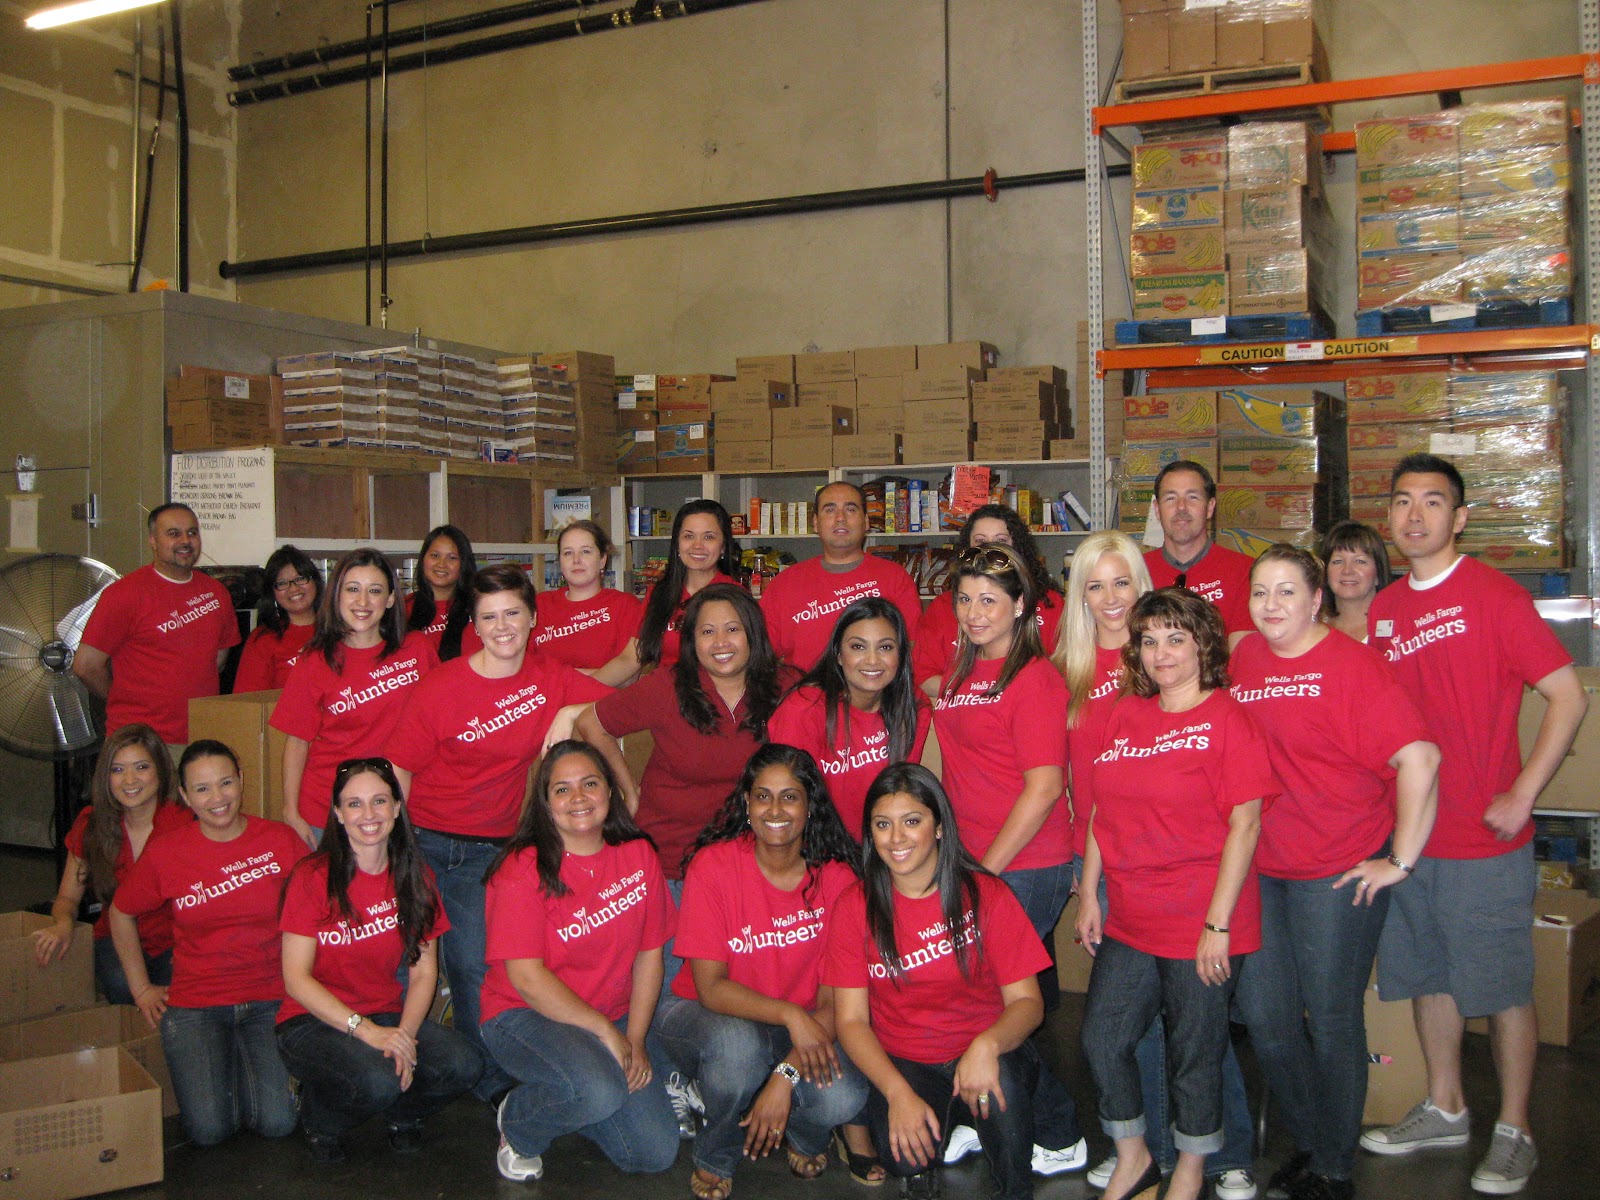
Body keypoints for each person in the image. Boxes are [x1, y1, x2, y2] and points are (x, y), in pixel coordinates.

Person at [1359, 454, 1587, 1196]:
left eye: (1432, 502)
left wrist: (1523, 793)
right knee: (1429, 978)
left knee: (1501, 986)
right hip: (1410, 839)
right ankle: (1445, 1106)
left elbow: (1568, 696)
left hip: (1484, 840)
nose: (1414, 515)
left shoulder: (1494, 596)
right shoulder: (1386, 609)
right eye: (1402, 501)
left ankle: (1516, 1129)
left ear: (1459, 518)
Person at [1230, 545, 1440, 1200]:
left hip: (1336, 867)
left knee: (1330, 1017)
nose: (1271, 605)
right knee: (1265, 1018)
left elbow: (1421, 759)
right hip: (1263, 866)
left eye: (1287, 591)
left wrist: (1399, 860)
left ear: (1317, 599)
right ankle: (1315, 1139)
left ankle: (1334, 1169)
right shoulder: (1246, 657)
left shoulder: (1354, 667)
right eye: (1260, 592)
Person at [1055, 537, 1255, 1199]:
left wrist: (1219, 926)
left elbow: (1245, 823)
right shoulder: (1126, 713)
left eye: (1176, 640)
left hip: (1200, 912)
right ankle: (1136, 1153)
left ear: (1202, 645)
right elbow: (1099, 808)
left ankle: (1194, 1168)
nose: (1162, 653)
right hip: (1131, 910)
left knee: (1195, 1050)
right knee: (1104, 1038)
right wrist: (1090, 893)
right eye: (1151, 642)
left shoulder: (1226, 716)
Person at [386, 563, 616, 1102]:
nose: (502, 626)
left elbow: (623, 703)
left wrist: (573, 711)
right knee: (409, 966)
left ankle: (487, 1081)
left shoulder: (549, 676)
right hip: (423, 839)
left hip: (489, 850)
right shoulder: (442, 686)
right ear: (474, 623)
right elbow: (398, 771)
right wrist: (398, 852)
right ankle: (410, 1077)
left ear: (533, 617)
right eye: (489, 617)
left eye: (513, 613)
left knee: (477, 966)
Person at [825, 764, 1080, 1200]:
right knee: (905, 1160)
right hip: (909, 1059)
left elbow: (1028, 1003)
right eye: (882, 825)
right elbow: (850, 1021)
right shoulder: (854, 906)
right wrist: (897, 1092)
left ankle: (1020, 1126)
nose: (896, 838)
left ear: (939, 827)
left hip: (984, 1051)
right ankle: (965, 1118)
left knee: (1000, 1094)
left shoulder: (986, 894)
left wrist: (988, 1045)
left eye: (912, 821)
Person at [653, 744, 876, 1200]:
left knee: (843, 1095)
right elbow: (711, 988)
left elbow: (837, 1005)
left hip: (802, 1024)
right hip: (705, 1013)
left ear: (810, 807)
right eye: (763, 796)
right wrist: (792, 1016)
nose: (775, 810)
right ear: (747, 803)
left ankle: (804, 1134)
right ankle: (716, 1154)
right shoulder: (714, 866)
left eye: (790, 797)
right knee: (738, 1050)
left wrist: (786, 1075)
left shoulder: (837, 880)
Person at [480, 740, 679, 1183]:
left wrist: (636, 1039)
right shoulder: (522, 869)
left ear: (610, 790)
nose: (578, 798)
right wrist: (605, 1032)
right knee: (598, 1089)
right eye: (562, 789)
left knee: (653, 1153)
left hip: (611, 1015)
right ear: (545, 803)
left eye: (589, 784)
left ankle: (581, 1095)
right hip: (525, 1015)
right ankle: (519, 1121)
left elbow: (650, 955)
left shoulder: (638, 853)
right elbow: (527, 979)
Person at [276, 756, 482, 1163]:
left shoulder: (416, 877)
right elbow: (296, 979)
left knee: (464, 1064)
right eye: (354, 804)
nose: (368, 814)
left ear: (397, 807)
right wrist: (367, 1032)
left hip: (385, 1013)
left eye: (379, 801)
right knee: (376, 1080)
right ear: (338, 813)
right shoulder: (312, 877)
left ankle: (401, 1116)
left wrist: (404, 1037)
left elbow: (423, 972)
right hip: (312, 1021)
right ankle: (320, 1118)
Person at [109, 739, 308, 1147]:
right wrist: (141, 988)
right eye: (202, 789)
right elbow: (120, 912)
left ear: (241, 780)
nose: (217, 798)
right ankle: (229, 1065)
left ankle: (246, 1066)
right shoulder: (167, 852)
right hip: (197, 1004)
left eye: (225, 783)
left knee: (278, 1123)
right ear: (185, 796)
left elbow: (317, 909)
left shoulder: (281, 840)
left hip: (270, 998)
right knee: (207, 1132)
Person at [567, 583, 800, 893]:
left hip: (754, 859)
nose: (720, 642)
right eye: (707, 632)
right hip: (673, 864)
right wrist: (629, 792)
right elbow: (591, 723)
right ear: (692, 640)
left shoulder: (786, 686)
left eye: (733, 629)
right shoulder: (667, 686)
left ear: (753, 634)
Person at [272, 548, 438, 848]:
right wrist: (291, 811)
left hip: (399, 807)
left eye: (374, 591)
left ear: (390, 599)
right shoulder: (315, 660)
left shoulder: (416, 650)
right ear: (336, 596)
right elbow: (297, 741)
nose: (362, 602)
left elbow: (440, 724)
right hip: (327, 812)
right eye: (352, 589)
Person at [32, 723, 191, 1003]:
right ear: (105, 776)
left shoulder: (185, 822)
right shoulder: (91, 824)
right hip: (114, 937)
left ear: (161, 769)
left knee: (182, 987)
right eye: (117, 770)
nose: (129, 780)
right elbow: (67, 897)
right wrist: (63, 923)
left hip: (175, 938)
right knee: (121, 983)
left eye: (141, 767)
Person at [74, 502, 241, 748]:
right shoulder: (124, 594)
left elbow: (218, 660)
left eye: (192, 532)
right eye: (174, 533)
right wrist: (122, 699)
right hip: (141, 742)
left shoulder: (216, 592)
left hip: (200, 739)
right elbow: (86, 666)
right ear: (153, 540)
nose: (185, 541)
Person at [768, 596, 931, 837]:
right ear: (838, 655)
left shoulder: (913, 706)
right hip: (817, 844)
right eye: (858, 647)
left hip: (882, 843)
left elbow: (900, 794)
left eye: (885, 647)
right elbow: (787, 803)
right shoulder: (803, 710)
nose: (872, 660)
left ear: (901, 655)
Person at [759, 482, 922, 672]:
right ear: (815, 523)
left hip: (875, 688)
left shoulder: (895, 578)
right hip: (806, 689)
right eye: (830, 510)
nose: (840, 518)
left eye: (850, 509)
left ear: (866, 522)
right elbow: (761, 655)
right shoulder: (784, 584)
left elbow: (911, 647)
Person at [915, 504, 1064, 698]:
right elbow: (923, 677)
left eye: (1001, 541)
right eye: (980, 541)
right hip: (962, 708)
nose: (991, 548)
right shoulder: (941, 608)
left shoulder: (1050, 603)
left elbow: (1068, 672)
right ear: (967, 548)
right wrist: (981, 695)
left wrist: (1004, 695)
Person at [1142, 462, 1254, 648]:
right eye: (1170, 498)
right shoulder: (1136, 571)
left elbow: (1242, 656)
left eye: (1192, 497)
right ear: (1157, 509)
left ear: (1210, 507)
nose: (1181, 507)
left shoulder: (1245, 572)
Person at [630, 499, 743, 673]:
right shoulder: (659, 593)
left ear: (723, 546)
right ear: (677, 543)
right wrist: (586, 684)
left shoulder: (735, 597)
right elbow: (632, 658)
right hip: (664, 686)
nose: (697, 545)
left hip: (711, 688)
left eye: (708, 537)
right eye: (689, 536)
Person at [534, 520, 644, 684]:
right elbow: (523, 669)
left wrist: (572, 684)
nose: (576, 560)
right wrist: (596, 673)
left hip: (602, 698)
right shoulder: (539, 605)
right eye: (567, 553)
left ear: (602, 560)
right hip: (545, 698)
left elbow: (629, 675)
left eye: (585, 551)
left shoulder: (625, 605)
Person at [234, 545, 323, 692]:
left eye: (300, 578)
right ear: (272, 593)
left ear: (316, 581)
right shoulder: (263, 640)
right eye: (282, 583)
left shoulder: (340, 631)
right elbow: (248, 700)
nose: (293, 588)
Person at [405, 525, 483, 660]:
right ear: (423, 559)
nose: (441, 564)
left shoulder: (480, 606)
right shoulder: (403, 608)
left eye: (452, 558)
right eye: (435, 555)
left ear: (464, 564)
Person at [1317, 521, 1392, 644]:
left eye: (1360, 561)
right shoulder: (1311, 630)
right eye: (1338, 561)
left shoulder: (1397, 629)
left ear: (1378, 573)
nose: (1347, 570)